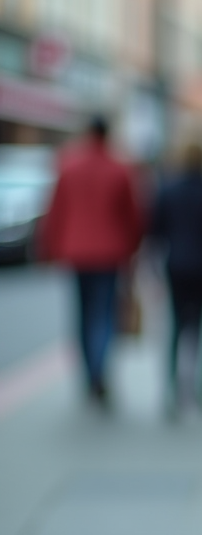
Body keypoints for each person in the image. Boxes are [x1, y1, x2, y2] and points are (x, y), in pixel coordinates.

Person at [40, 116, 144, 405]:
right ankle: (99, 371)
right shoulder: (120, 168)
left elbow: (55, 211)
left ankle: (90, 374)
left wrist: (48, 248)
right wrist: (133, 249)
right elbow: (133, 216)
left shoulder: (68, 164)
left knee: (83, 314)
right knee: (105, 314)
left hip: (76, 252)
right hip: (110, 253)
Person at [149, 142, 202, 416]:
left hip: (175, 265)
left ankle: (172, 387)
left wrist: (152, 270)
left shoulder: (168, 191)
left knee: (176, 326)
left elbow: (155, 230)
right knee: (200, 326)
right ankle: (199, 385)